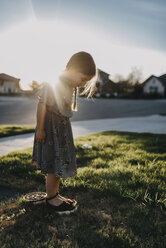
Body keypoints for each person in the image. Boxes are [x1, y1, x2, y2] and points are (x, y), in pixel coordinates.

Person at [31, 51, 97, 214]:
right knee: (53, 165)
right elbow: (42, 105)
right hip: (50, 131)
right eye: (82, 79)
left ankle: (54, 195)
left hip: (61, 132)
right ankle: (51, 198)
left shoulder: (68, 86)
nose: (82, 84)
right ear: (73, 69)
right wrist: (40, 129)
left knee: (58, 164)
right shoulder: (52, 83)